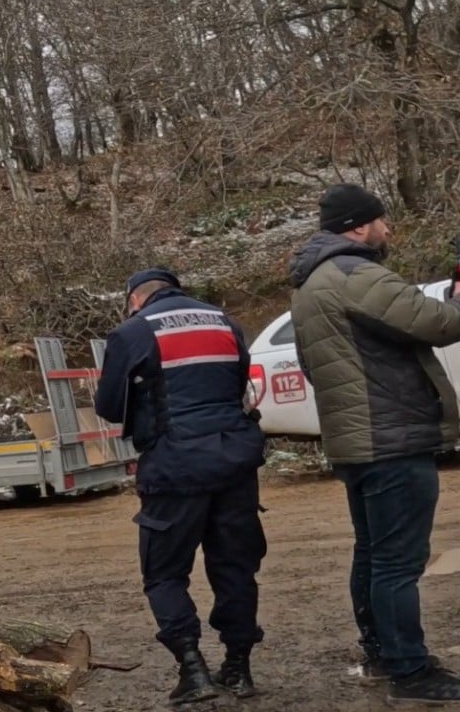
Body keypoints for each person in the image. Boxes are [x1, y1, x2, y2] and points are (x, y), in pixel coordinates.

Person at [288, 183, 460, 706]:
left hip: (358, 442)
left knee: (375, 555)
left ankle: (382, 654)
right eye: (381, 220)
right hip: (392, 439)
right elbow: (439, 324)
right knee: (399, 563)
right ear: (358, 226)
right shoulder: (355, 273)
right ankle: (411, 671)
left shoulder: (311, 283)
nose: (387, 230)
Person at [94, 267, 267, 705]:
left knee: (165, 573)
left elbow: (111, 407)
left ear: (135, 299)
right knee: (236, 567)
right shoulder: (224, 321)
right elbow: (239, 386)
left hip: (174, 470)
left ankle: (193, 669)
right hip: (234, 464)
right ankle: (239, 668)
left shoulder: (132, 332)